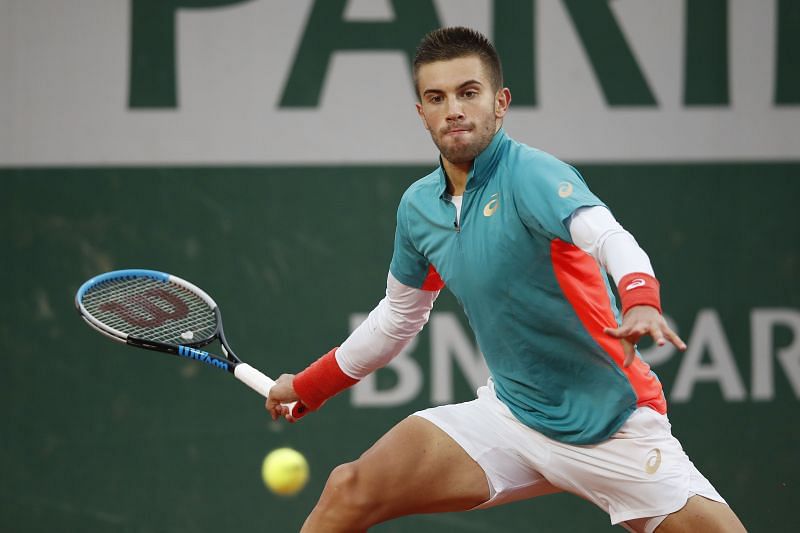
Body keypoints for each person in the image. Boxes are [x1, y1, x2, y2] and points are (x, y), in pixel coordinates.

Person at [266, 26, 746, 533]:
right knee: (351, 489)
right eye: (437, 97)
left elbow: (609, 237)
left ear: (500, 102)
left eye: (468, 93)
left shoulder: (532, 176)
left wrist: (641, 299)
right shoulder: (418, 208)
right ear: (421, 113)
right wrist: (309, 386)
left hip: (611, 422)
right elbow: (398, 318)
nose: (453, 109)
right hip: (513, 418)